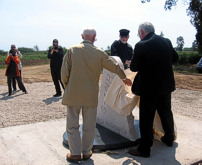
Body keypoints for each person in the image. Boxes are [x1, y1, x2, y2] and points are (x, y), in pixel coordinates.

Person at [61, 27, 132, 162]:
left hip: (73, 94)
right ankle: (86, 152)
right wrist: (124, 78)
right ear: (94, 38)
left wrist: (67, 87)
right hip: (91, 95)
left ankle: (75, 153)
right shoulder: (99, 53)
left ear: (82, 36)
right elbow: (115, 66)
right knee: (89, 125)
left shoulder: (72, 50)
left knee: (72, 125)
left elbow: (64, 73)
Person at [128, 22, 179, 158]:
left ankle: (144, 149)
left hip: (149, 88)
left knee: (146, 118)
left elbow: (133, 68)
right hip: (166, 86)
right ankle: (169, 138)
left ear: (142, 32)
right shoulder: (166, 41)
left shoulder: (141, 45)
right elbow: (175, 58)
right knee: (166, 112)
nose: (139, 36)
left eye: (139, 34)